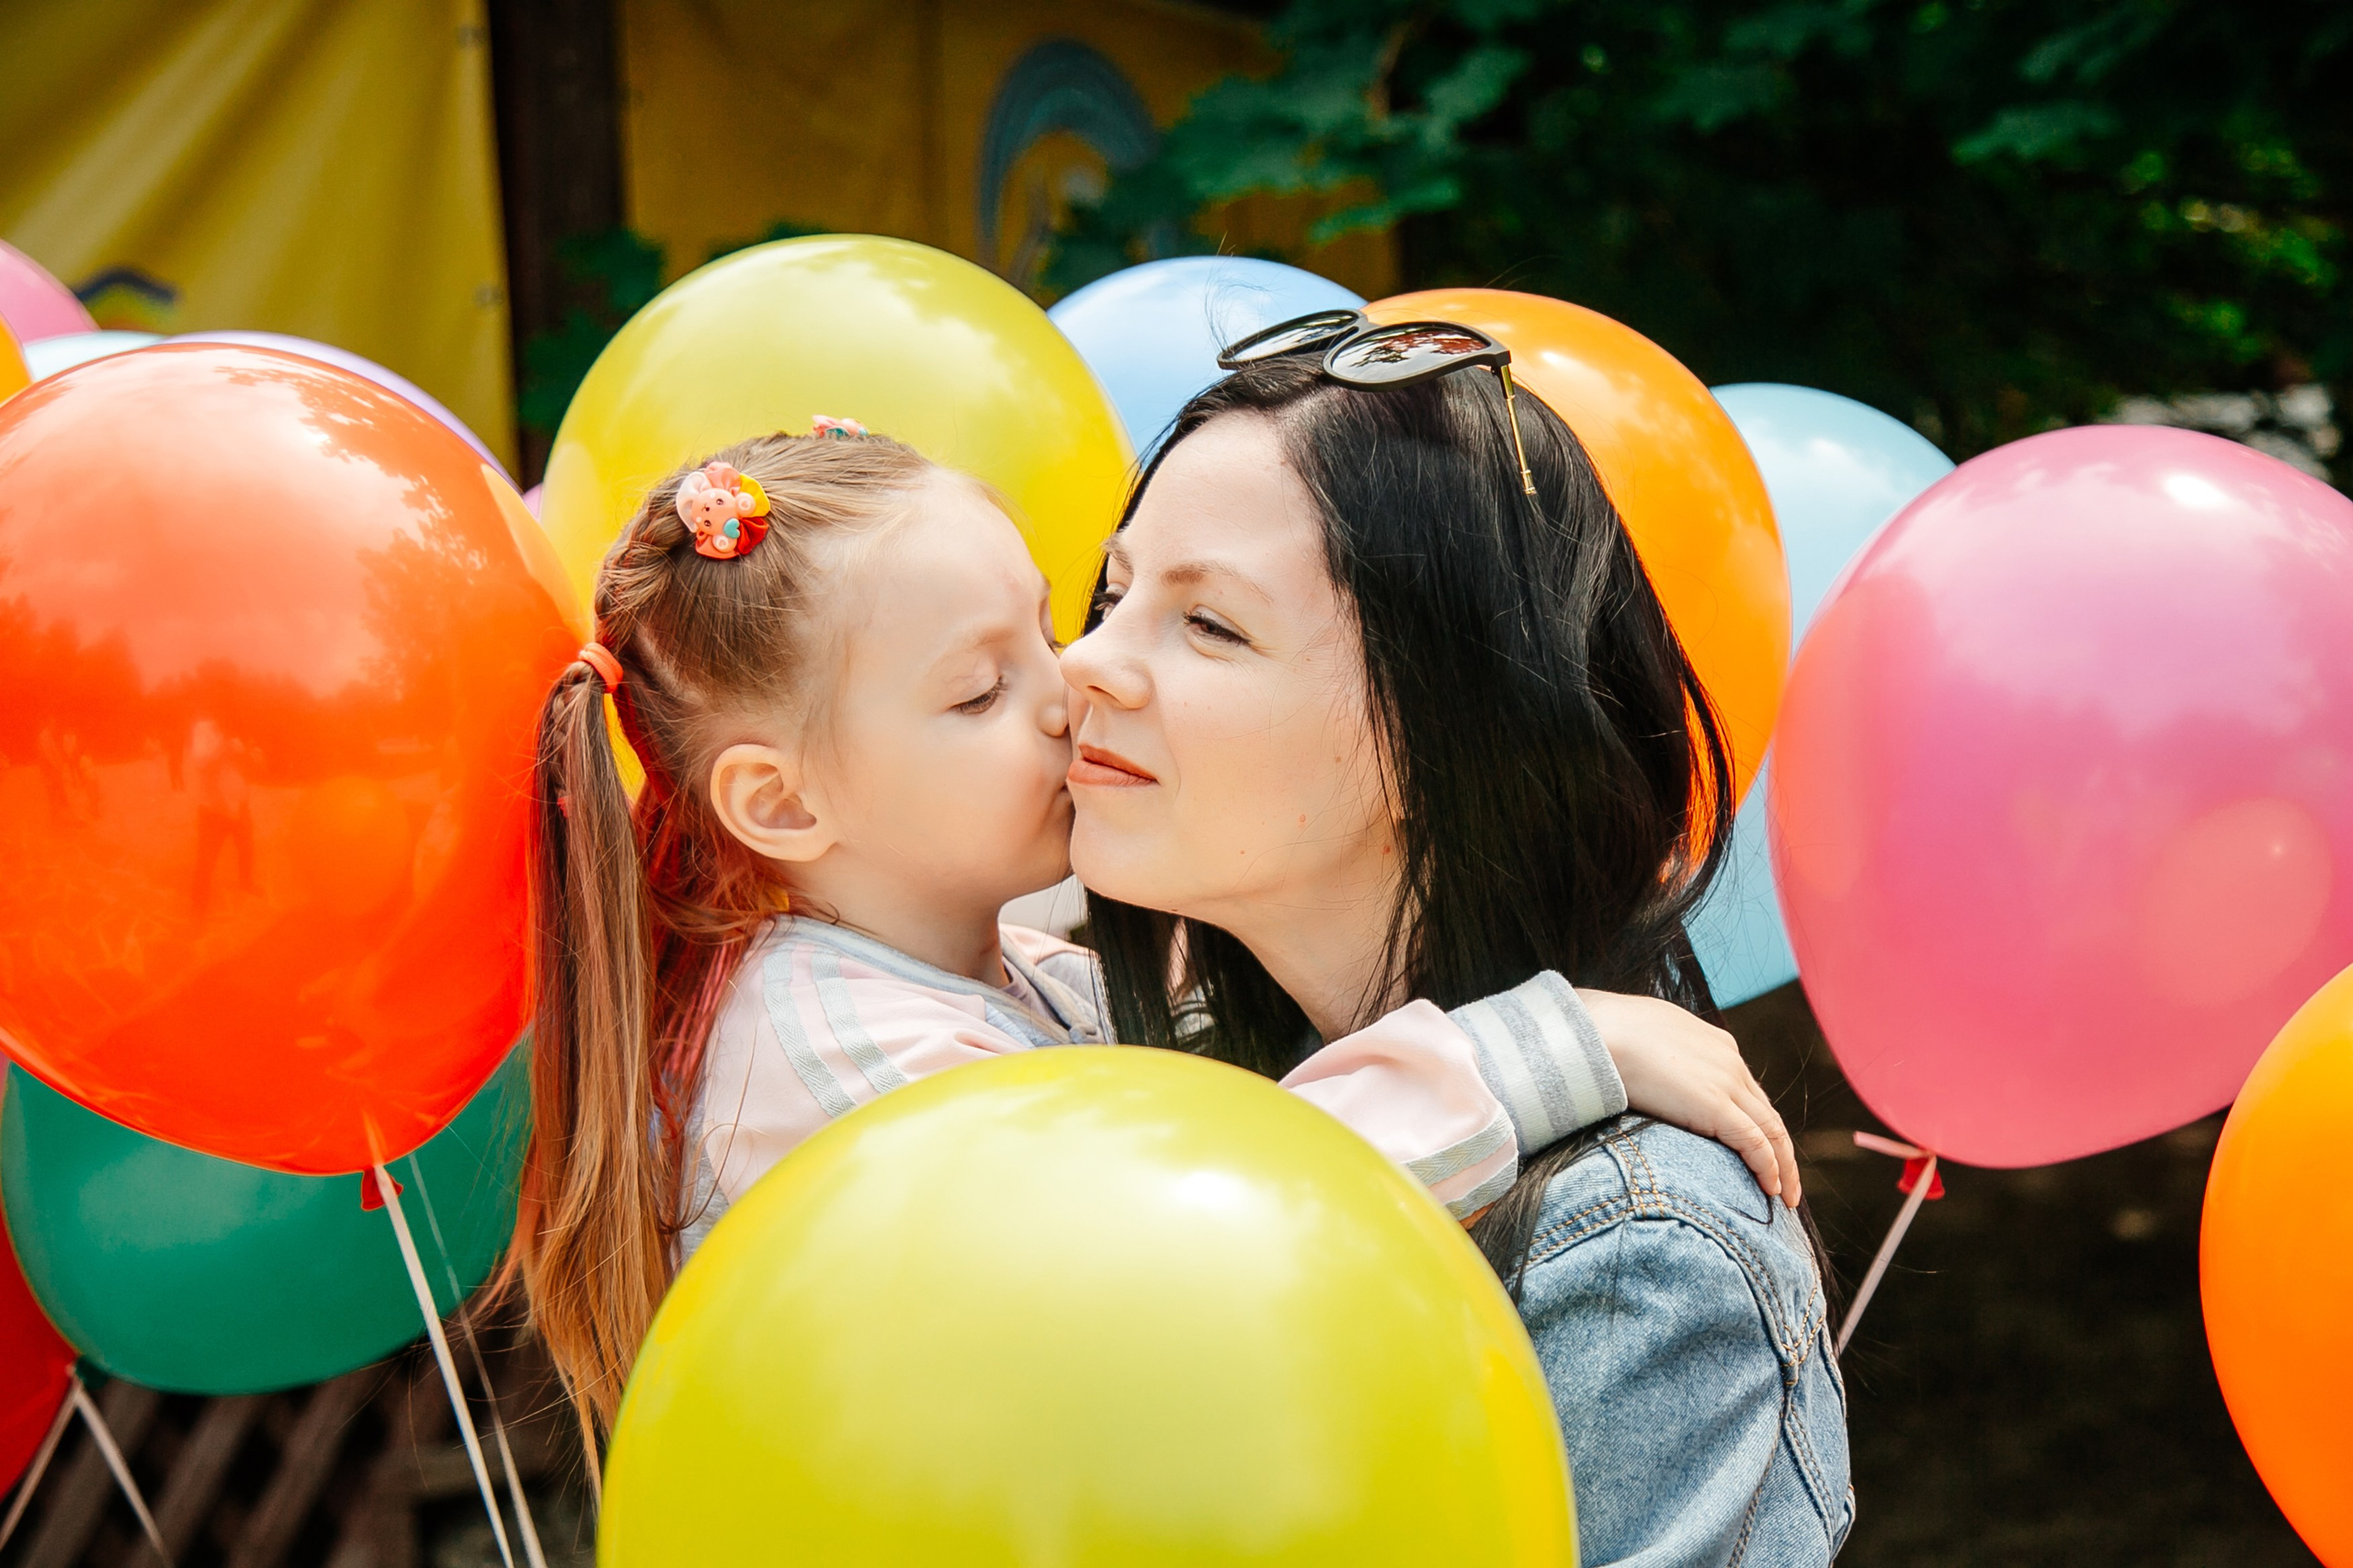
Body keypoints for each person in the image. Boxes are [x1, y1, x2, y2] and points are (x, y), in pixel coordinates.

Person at [517, 425, 1795, 1459]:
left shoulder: (951, 971)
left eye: (1045, 623)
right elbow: (1189, 1235)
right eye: (980, 689)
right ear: (785, 804)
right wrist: (1538, 1049)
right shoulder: (835, 1054)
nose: (1071, 679)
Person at [1062, 322, 1853, 1563]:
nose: (1083, 663)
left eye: (1209, 625)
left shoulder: (1635, 1253)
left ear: (1439, 732)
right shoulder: (1147, 1082)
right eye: (1112, 595)